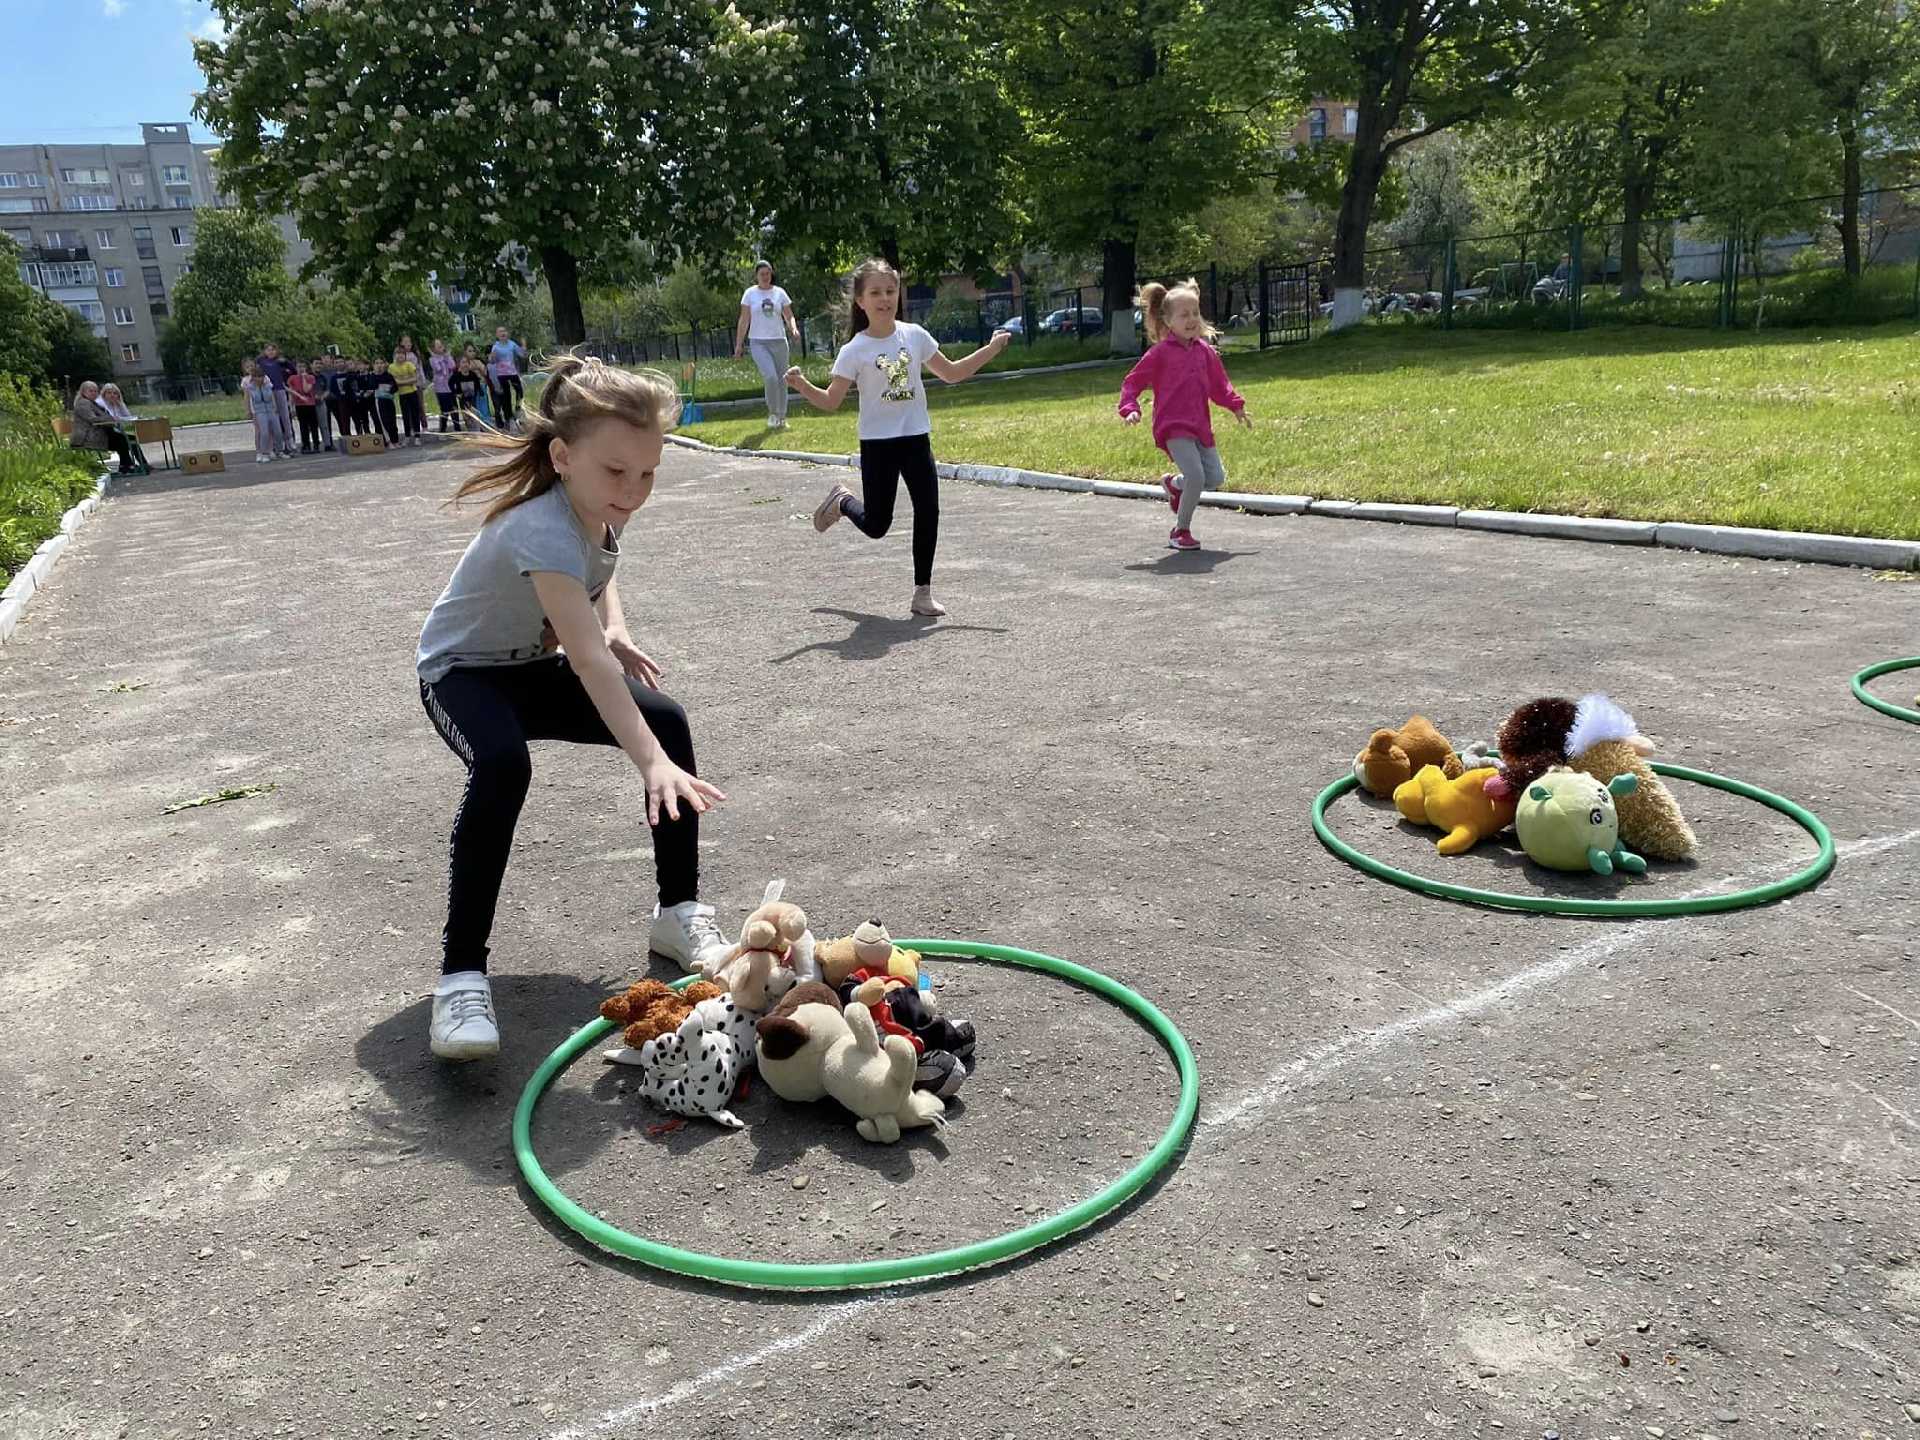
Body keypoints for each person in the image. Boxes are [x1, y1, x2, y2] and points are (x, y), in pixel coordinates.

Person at [414, 354, 730, 1059]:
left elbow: (599, 568)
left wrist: (613, 622)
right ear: (562, 456)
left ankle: (677, 912)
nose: (634, 490)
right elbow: (586, 662)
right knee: (503, 763)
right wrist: (649, 763)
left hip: (524, 666)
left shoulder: (597, 502)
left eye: (648, 473)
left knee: (669, 718)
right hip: (460, 675)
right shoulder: (542, 526)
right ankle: (459, 978)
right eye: (618, 473)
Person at [785, 258, 1009, 619]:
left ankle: (923, 593)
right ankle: (842, 502)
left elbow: (951, 373)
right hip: (877, 445)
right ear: (860, 300)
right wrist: (800, 385)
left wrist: (992, 348)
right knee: (876, 525)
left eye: (891, 291)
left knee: (928, 510)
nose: (885, 298)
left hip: (915, 438)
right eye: (875, 292)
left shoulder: (915, 336)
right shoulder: (854, 350)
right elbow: (831, 401)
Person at [1115, 278, 1250, 552]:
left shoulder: (1206, 352)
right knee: (1197, 477)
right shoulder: (1159, 353)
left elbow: (1219, 385)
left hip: (1200, 425)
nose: (1191, 320)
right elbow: (1132, 383)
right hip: (1173, 426)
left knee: (1214, 478)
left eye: (1195, 313)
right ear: (1168, 321)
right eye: (1184, 315)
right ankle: (1181, 530)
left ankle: (1174, 485)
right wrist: (1130, 408)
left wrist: (1235, 405)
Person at [733, 260, 800, 430]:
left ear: (771, 274)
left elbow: (789, 315)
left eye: (768, 273)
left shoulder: (780, 293)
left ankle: (782, 417)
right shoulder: (750, 294)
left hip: (779, 341)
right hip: (758, 342)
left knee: (783, 379)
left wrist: (793, 329)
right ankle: (773, 413)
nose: (765, 277)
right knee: (770, 376)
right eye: (762, 274)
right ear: (756, 275)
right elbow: (744, 319)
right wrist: (739, 345)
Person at [69, 381, 146, 475]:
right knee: (122, 440)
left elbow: (106, 416)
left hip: (98, 434)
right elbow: (93, 419)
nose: (94, 393)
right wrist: (111, 419)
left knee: (125, 439)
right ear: (83, 392)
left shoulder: (91, 403)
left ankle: (128, 466)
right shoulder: (83, 404)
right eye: (91, 391)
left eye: (95, 391)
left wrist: (111, 419)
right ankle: (129, 466)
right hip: (88, 438)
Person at [96, 384, 154, 471]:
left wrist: (120, 404)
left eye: (115, 393)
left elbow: (127, 416)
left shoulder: (115, 404)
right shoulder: (100, 405)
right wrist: (118, 418)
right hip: (102, 436)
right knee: (124, 440)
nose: (112, 395)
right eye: (109, 393)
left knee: (131, 438)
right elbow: (111, 419)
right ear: (104, 394)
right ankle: (127, 465)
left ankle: (141, 464)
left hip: (114, 434)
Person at [253, 343, 297, 457]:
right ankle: (275, 446)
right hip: (268, 391)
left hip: (280, 390)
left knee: (285, 418)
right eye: (268, 350)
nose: (271, 352)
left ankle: (290, 441)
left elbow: (293, 371)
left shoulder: (279, 362)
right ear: (264, 351)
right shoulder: (262, 361)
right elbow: (255, 369)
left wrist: (286, 362)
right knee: (273, 419)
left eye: (273, 350)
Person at [241, 361, 285, 464]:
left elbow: (272, 394)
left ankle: (278, 450)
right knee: (263, 432)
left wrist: (275, 406)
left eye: (261, 376)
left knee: (277, 431)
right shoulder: (249, 386)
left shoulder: (267, 383)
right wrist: (248, 411)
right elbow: (246, 399)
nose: (259, 379)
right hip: (258, 411)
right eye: (257, 377)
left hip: (270, 409)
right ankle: (263, 452)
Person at [488, 326, 527, 432]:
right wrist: (491, 357)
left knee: (519, 391)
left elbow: (522, 354)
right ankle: (509, 418)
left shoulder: (511, 344)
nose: (503, 333)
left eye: (504, 331)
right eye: (500, 332)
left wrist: (524, 345)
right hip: (502, 374)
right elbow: (492, 361)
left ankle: (518, 408)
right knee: (506, 397)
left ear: (507, 333)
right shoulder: (496, 347)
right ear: (497, 335)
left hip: (512, 372)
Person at [391, 346, 425, 447]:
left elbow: (415, 379)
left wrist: (402, 382)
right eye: (398, 353)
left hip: (412, 392)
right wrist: (406, 381)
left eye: (402, 353)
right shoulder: (392, 367)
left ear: (405, 356)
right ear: (394, 356)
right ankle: (407, 436)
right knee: (406, 416)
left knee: (415, 414)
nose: (400, 356)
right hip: (402, 394)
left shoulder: (409, 364)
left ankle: (417, 436)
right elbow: (395, 382)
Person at [289, 360, 322, 454]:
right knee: (303, 427)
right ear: (296, 368)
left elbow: (306, 390)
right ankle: (306, 445)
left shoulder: (310, 377)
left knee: (313, 426)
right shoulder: (292, 378)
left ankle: (316, 444)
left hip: (310, 404)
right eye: (299, 366)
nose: (301, 369)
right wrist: (292, 407)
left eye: (303, 366)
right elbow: (291, 393)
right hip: (299, 405)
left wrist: (303, 378)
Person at [428, 338, 461, 433]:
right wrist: (442, 359)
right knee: (445, 410)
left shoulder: (447, 357)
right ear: (433, 349)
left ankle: (457, 429)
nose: (440, 348)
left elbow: (453, 366)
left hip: (450, 386)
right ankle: (442, 430)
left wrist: (447, 357)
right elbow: (438, 369)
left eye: (441, 345)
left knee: (454, 408)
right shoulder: (432, 359)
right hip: (441, 388)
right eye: (437, 346)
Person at [370, 359, 401, 446]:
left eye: (381, 363)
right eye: (377, 363)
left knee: (392, 420)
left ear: (384, 364)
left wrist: (390, 389)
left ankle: (395, 440)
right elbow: (373, 386)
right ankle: (388, 441)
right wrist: (377, 375)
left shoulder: (389, 375)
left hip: (389, 400)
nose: (379, 365)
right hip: (379, 401)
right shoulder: (372, 376)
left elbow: (395, 387)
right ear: (374, 365)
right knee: (384, 421)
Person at [452, 356, 488, 429]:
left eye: (467, 362)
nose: (465, 364)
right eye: (463, 362)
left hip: (472, 397)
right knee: (466, 414)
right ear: (459, 365)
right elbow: (450, 383)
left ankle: (476, 428)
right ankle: (469, 428)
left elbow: (477, 382)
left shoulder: (472, 374)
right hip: (462, 398)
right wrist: (455, 392)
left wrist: (480, 391)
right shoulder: (457, 376)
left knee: (474, 411)